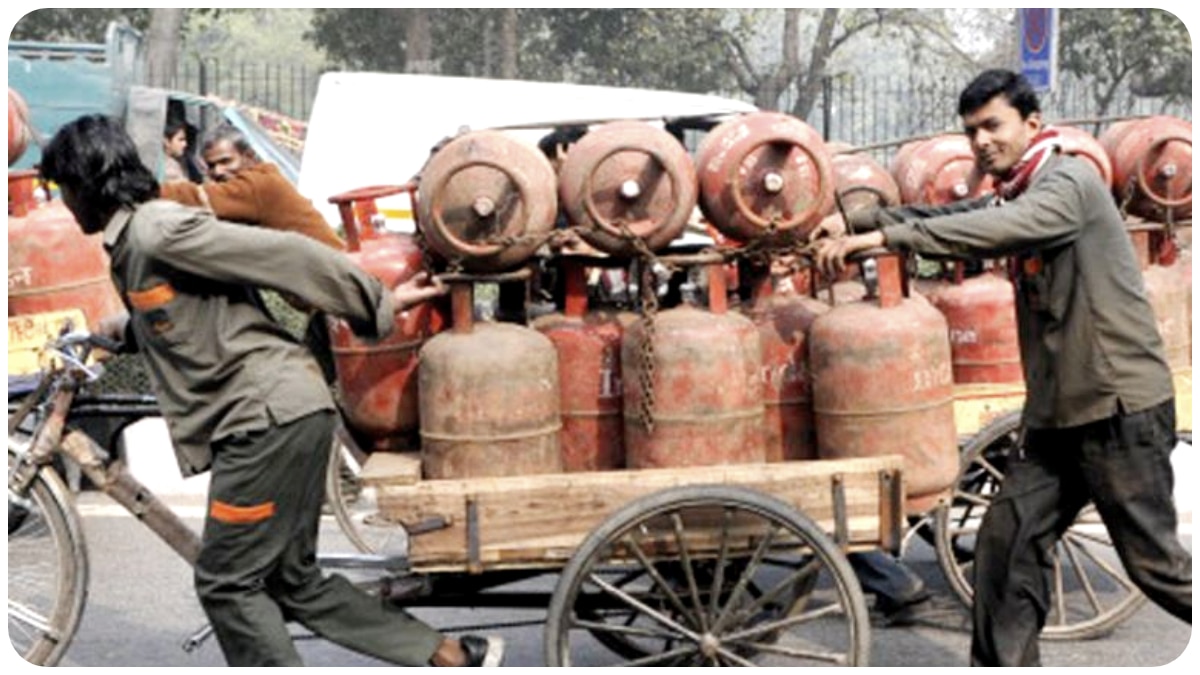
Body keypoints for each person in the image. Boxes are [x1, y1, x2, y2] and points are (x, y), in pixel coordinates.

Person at [39, 114, 504, 668]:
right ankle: (450, 655)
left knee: (227, 583)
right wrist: (115, 334)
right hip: (282, 414)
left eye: (64, 187)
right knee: (290, 579)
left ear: (87, 181)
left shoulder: (156, 231)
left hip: (264, 422)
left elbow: (287, 255)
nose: (64, 202)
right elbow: (179, 316)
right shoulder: (136, 240)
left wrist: (374, 301)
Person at [810, 69, 1191, 666]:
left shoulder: (1068, 182)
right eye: (972, 131)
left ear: (1032, 124)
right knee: (1005, 548)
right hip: (1057, 415)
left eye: (993, 126)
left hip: (1115, 408)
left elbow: (996, 227)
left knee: (1157, 567)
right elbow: (965, 211)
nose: (982, 141)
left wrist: (885, 241)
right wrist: (860, 221)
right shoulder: (1020, 189)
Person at [162, 118, 191, 182]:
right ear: (166, 142)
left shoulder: (175, 163)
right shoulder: (168, 168)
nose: (185, 144)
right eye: (180, 139)